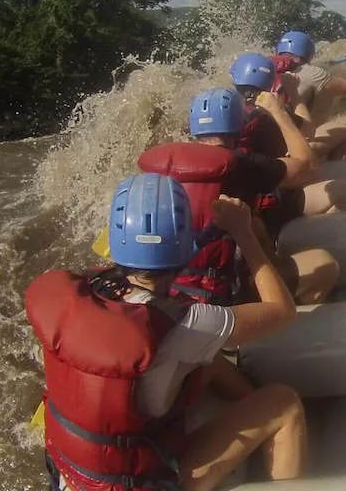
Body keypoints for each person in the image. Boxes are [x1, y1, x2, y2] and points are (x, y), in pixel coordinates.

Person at [26, 173, 307, 491]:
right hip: (135, 483)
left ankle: (252, 425)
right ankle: (272, 433)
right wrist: (244, 233)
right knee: (282, 401)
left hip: (70, 475)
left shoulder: (87, 290)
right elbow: (282, 312)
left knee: (209, 364)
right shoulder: (187, 323)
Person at [138, 87, 338, 305]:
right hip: (221, 298)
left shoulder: (158, 170)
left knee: (256, 226)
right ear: (239, 126)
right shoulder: (242, 164)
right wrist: (277, 111)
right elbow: (309, 167)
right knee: (324, 264)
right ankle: (282, 322)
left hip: (166, 295)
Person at [230, 52, 346, 235]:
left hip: (241, 199)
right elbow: (309, 131)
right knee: (344, 189)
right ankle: (307, 236)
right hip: (270, 200)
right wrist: (293, 93)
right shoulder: (272, 111)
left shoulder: (229, 110)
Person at [272, 31, 346, 160]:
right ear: (308, 52)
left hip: (268, 145)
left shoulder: (265, 67)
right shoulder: (313, 73)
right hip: (295, 148)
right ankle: (337, 164)